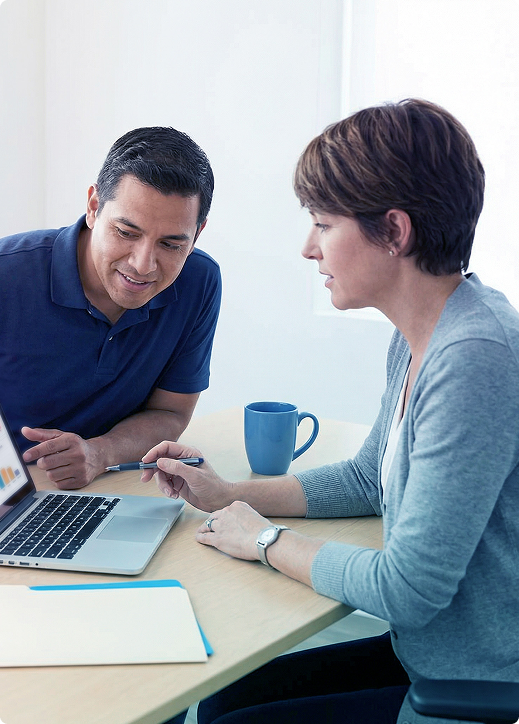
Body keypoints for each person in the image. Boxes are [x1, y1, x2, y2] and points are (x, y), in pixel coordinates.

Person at [144, 99, 519, 724]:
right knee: (220, 700)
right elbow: (367, 479)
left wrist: (263, 541)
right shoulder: (421, 332)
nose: (307, 248)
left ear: (394, 232)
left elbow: (409, 588)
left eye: (322, 223)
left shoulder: (474, 355)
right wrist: (230, 493)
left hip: (476, 685)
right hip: (426, 655)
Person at [0, 127, 221, 490]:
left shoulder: (199, 281)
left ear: (197, 234)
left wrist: (99, 453)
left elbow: (170, 412)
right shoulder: (7, 274)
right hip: (14, 495)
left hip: (114, 485)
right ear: (93, 207)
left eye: (170, 243)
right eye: (126, 232)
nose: (143, 264)